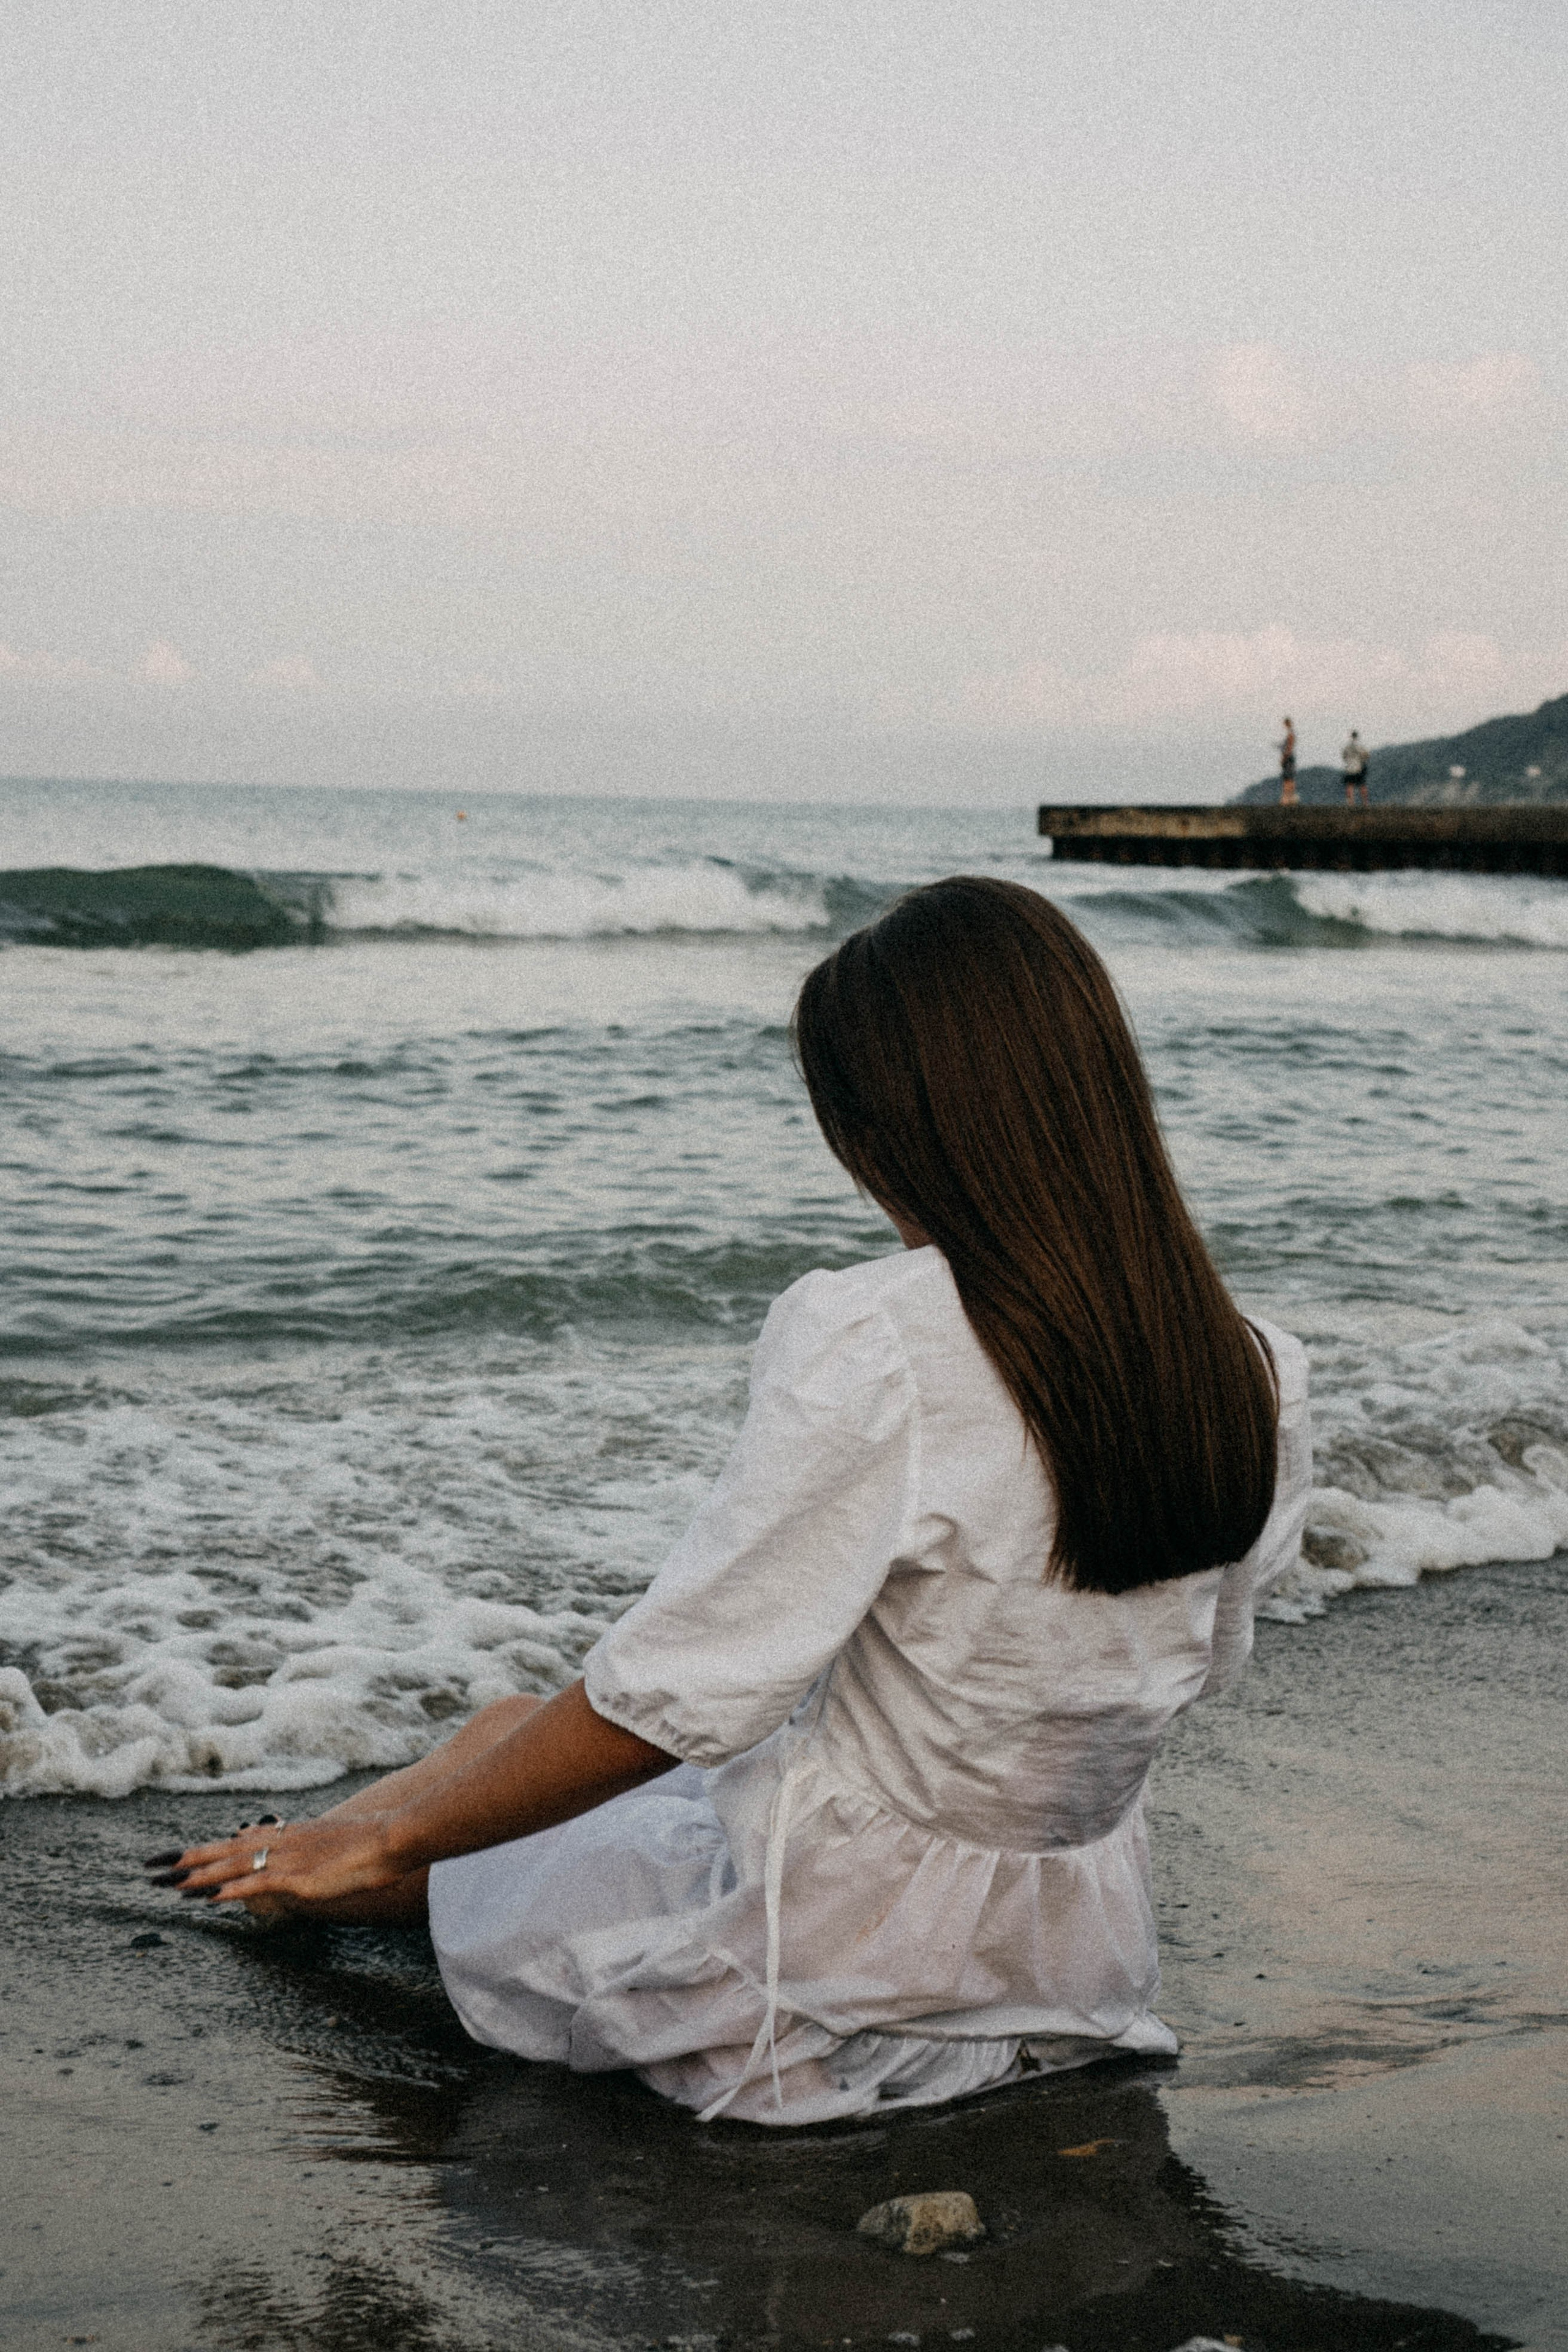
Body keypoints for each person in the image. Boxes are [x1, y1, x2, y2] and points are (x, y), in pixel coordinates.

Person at [148, 879, 1311, 2128]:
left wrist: (398, 1845)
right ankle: (302, 1844)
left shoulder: (877, 1338)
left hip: (830, 1968)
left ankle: (298, 1860)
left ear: (899, 1125)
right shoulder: (1250, 1365)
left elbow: (673, 1700)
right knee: (503, 1728)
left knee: (483, 1800)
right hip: (1065, 1956)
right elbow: (1201, 1662)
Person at [1342, 730, 1368, 805]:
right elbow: (1366, 755)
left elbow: (1344, 757)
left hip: (1349, 768)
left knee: (1350, 785)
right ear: (1357, 736)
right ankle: (1365, 802)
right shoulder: (1359, 746)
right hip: (1358, 768)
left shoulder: (1347, 747)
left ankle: (1351, 802)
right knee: (1362, 785)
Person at [1278, 717, 1298, 804]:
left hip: (1288, 758)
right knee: (1290, 777)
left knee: (1288, 778)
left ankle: (1288, 797)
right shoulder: (1291, 734)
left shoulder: (1291, 734)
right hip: (1289, 758)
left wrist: (1284, 758)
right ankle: (1291, 797)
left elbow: (1289, 748)